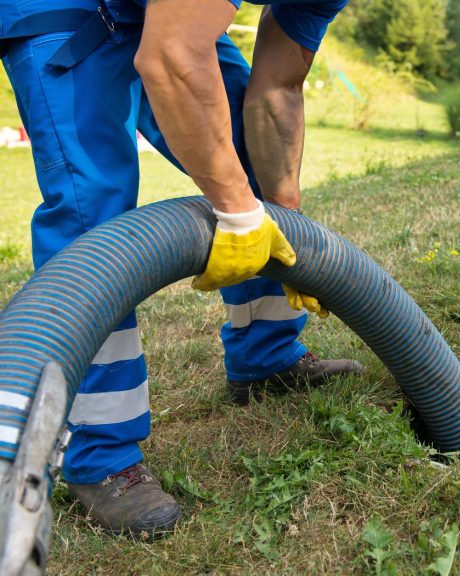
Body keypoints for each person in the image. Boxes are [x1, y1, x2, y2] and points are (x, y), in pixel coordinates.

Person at [0, 0, 360, 539]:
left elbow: (277, 88)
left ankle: (266, 357)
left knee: (248, 152)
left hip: (166, 12)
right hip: (63, 9)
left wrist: (282, 213)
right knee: (90, 214)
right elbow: (171, 57)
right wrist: (238, 212)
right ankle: (100, 454)